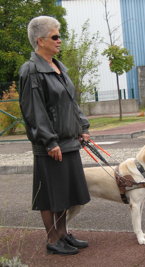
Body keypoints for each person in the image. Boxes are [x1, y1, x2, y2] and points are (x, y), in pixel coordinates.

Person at [19, 16, 91, 255]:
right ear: (40, 41)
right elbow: (34, 111)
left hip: (68, 141)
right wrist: (49, 141)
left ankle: (63, 234)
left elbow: (71, 103)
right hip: (50, 144)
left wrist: (82, 128)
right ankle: (53, 239)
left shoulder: (58, 67)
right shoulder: (31, 71)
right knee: (51, 194)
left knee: (66, 193)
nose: (60, 40)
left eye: (59, 35)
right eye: (55, 36)